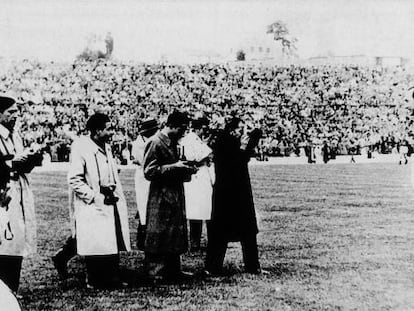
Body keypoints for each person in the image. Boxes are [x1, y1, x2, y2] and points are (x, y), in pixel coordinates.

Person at [67, 113, 131, 289]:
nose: (112, 133)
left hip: (110, 198)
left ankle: (111, 277)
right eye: (108, 129)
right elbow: (74, 179)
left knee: (111, 238)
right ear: (97, 130)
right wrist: (94, 196)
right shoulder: (81, 147)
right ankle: (94, 279)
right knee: (95, 241)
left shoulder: (106, 147)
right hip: (92, 201)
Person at [143, 111, 197, 282]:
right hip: (160, 195)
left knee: (175, 232)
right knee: (159, 232)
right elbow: (149, 171)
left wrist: (187, 169)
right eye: (181, 129)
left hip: (174, 193)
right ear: (171, 126)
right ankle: (155, 271)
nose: (183, 132)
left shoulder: (174, 143)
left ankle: (174, 269)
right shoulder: (155, 142)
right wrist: (175, 166)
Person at [205, 116, 263, 275]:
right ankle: (250, 266)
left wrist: (249, 143)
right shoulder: (226, 144)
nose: (242, 133)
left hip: (229, 193)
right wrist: (247, 145)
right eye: (239, 130)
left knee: (226, 232)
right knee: (242, 231)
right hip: (232, 192)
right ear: (231, 131)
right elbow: (239, 161)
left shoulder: (224, 142)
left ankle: (213, 266)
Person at [0, 96, 43, 292]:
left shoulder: (14, 135)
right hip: (3, 190)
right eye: (10, 112)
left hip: (18, 187)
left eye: (16, 112)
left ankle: (12, 288)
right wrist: (11, 163)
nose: (15, 116)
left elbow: (19, 162)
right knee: (4, 239)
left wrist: (32, 159)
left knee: (17, 239)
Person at [179, 117, 214, 251]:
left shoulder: (196, 139)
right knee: (196, 212)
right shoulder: (190, 139)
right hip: (196, 176)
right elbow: (196, 157)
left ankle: (198, 241)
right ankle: (194, 243)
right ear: (198, 128)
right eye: (203, 129)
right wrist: (206, 145)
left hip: (202, 176)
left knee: (204, 210)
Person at [131, 119, 159, 249]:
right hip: (143, 176)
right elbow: (142, 160)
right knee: (143, 206)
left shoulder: (151, 140)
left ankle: (148, 237)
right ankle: (142, 239)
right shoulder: (139, 142)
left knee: (151, 205)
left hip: (149, 175)